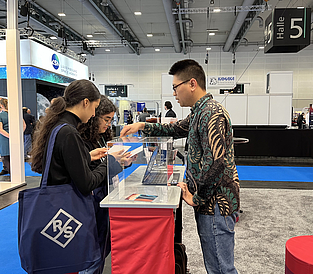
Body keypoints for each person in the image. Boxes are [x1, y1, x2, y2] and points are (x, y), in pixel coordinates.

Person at [120, 59, 240, 274]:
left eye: (176, 87)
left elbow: (216, 163)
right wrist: (142, 125)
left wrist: (197, 198)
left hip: (215, 203)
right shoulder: (199, 112)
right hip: (210, 203)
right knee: (215, 265)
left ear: (192, 83)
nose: (174, 94)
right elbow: (174, 129)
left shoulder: (212, 113)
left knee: (221, 268)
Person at [30, 79, 127, 273]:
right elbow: (86, 183)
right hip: (68, 212)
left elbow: (62, 163)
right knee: (81, 261)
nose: (93, 114)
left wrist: (87, 156)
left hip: (57, 209)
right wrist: (110, 162)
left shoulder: (59, 127)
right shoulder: (69, 132)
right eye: (94, 108)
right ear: (85, 102)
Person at [78, 95, 135, 274]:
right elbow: (92, 175)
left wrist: (123, 161)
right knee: (92, 253)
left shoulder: (101, 137)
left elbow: (106, 169)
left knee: (103, 247)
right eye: (106, 119)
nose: (108, 124)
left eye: (111, 120)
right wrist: (113, 161)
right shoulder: (81, 140)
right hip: (91, 202)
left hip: (106, 196)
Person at [0, 99, 26, 175]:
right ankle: (18, 175)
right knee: (15, 157)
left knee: (6, 157)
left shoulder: (0, 115)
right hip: (16, 138)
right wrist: (17, 135)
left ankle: (13, 176)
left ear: (2, 105)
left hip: (4, 138)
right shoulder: (16, 114)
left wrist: (10, 136)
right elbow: (24, 126)